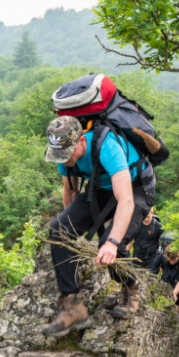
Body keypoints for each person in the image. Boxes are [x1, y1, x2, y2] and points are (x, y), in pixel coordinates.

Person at [41, 115, 156, 337]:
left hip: (136, 188)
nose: (63, 161)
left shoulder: (107, 147)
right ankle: (73, 307)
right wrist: (72, 230)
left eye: (67, 155)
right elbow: (70, 191)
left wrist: (112, 243)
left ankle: (130, 287)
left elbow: (126, 200)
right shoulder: (65, 155)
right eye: (59, 156)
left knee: (111, 244)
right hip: (100, 189)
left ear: (81, 141)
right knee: (59, 230)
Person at [155, 240, 179, 314]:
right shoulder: (161, 258)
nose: (172, 262)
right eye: (170, 259)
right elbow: (152, 272)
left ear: (178, 256)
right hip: (167, 279)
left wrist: (174, 293)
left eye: (174, 259)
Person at [131, 207, 163, 273]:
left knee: (150, 278)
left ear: (152, 213)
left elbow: (163, 244)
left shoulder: (158, 226)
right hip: (137, 257)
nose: (146, 218)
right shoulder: (136, 224)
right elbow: (129, 240)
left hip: (152, 258)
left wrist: (163, 263)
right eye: (144, 216)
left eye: (148, 216)